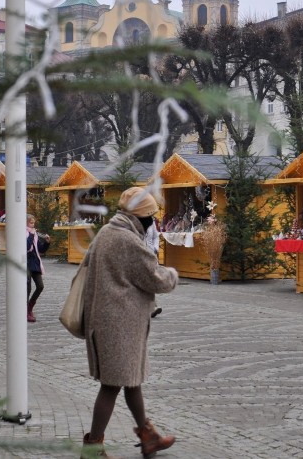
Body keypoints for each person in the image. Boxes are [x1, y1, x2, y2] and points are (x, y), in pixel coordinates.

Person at [80, 187, 179, 458]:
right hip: (119, 325)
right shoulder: (127, 240)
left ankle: (149, 437)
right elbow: (155, 277)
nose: (153, 222)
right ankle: (93, 446)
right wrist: (172, 273)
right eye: (152, 217)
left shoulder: (106, 233)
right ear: (142, 217)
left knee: (131, 380)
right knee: (111, 385)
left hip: (109, 321)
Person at [26, 214, 50, 323]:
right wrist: (31, 235)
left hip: (35, 262)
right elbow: (26, 246)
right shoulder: (24, 232)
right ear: (26, 222)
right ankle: (25, 312)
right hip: (25, 262)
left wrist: (46, 243)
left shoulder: (34, 233)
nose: (33, 224)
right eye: (31, 222)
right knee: (27, 288)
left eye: (33, 222)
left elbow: (40, 249)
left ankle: (29, 307)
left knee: (40, 286)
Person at [145, 216, 163, 319]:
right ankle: (152, 307)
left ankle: (151, 307)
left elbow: (156, 236)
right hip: (140, 255)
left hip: (151, 254)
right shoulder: (134, 220)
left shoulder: (151, 221)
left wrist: (156, 248)